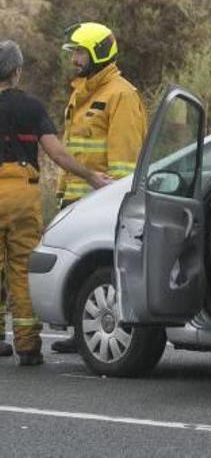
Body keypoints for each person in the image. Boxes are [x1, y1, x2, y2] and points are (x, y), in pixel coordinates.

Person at [0, 40, 112, 365]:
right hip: (22, 192)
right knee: (21, 268)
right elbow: (58, 153)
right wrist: (90, 176)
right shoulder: (32, 107)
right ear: (17, 72)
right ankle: (28, 346)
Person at [50, 22, 148, 354]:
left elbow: (126, 160)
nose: (75, 59)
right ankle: (80, 332)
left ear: (98, 53)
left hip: (100, 203)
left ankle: (100, 331)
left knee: (100, 270)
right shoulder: (82, 91)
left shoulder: (120, 94)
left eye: (79, 52)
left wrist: (116, 199)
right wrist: (63, 193)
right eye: (74, 53)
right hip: (75, 201)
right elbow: (72, 148)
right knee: (79, 270)